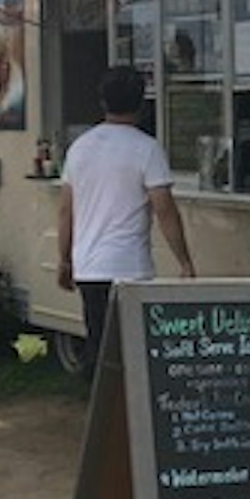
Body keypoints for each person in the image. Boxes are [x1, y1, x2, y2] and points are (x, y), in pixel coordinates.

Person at [57, 65, 196, 370]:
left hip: (89, 266)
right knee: (134, 354)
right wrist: (184, 261)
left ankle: (99, 413)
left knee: (99, 348)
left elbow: (66, 209)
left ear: (103, 102)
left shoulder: (79, 148)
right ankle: (130, 415)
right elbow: (165, 210)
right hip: (130, 266)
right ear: (141, 103)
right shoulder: (146, 149)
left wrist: (65, 259)